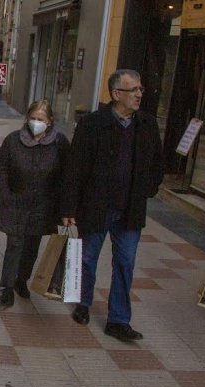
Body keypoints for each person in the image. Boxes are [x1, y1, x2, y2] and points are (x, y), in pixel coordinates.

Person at [60, 69, 164, 342]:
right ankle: (83, 303)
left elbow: (157, 163)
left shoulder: (147, 124)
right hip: (96, 206)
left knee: (125, 263)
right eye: (134, 90)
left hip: (130, 208)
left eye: (141, 89)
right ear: (117, 94)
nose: (140, 94)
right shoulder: (92, 124)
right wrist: (69, 208)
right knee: (88, 258)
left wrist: (148, 189)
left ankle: (118, 320)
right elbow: (75, 168)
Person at [0, 100, 70, 310]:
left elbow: (67, 174)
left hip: (43, 206)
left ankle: (22, 279)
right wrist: (4, 194)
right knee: (14, 245)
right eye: (33, 118)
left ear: (50, 121)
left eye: (40, 119)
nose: (36, 122)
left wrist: (63, 204)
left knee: (31, 246)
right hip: (16, 202)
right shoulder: (13, 140)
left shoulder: (59, 143)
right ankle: (7, 289)